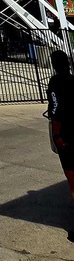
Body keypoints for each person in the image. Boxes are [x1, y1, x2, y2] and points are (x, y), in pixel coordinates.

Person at [47, 51, 74, 211]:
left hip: (65, 134)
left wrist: (57, 135)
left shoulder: (55, 82)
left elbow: (56, 108)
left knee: (72, 179)